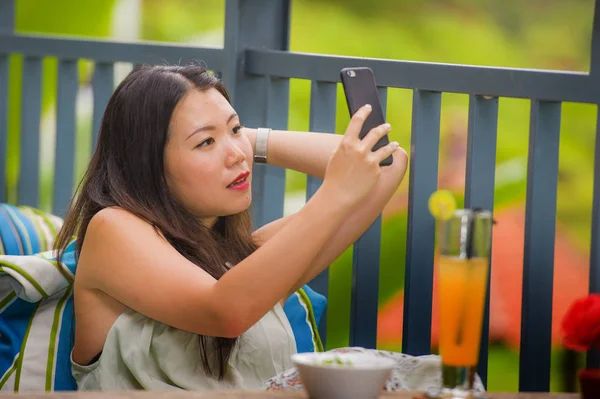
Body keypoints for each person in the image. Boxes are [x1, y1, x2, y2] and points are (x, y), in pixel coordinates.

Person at [55, 64, 408, 391]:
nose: (237, 154)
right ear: (148, 163)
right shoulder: (113, 229)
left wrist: (236, 137)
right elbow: (224, 311)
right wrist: (333, 195)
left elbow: (386, 164)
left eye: (237, 130)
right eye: (204, 143)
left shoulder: (244, 260)